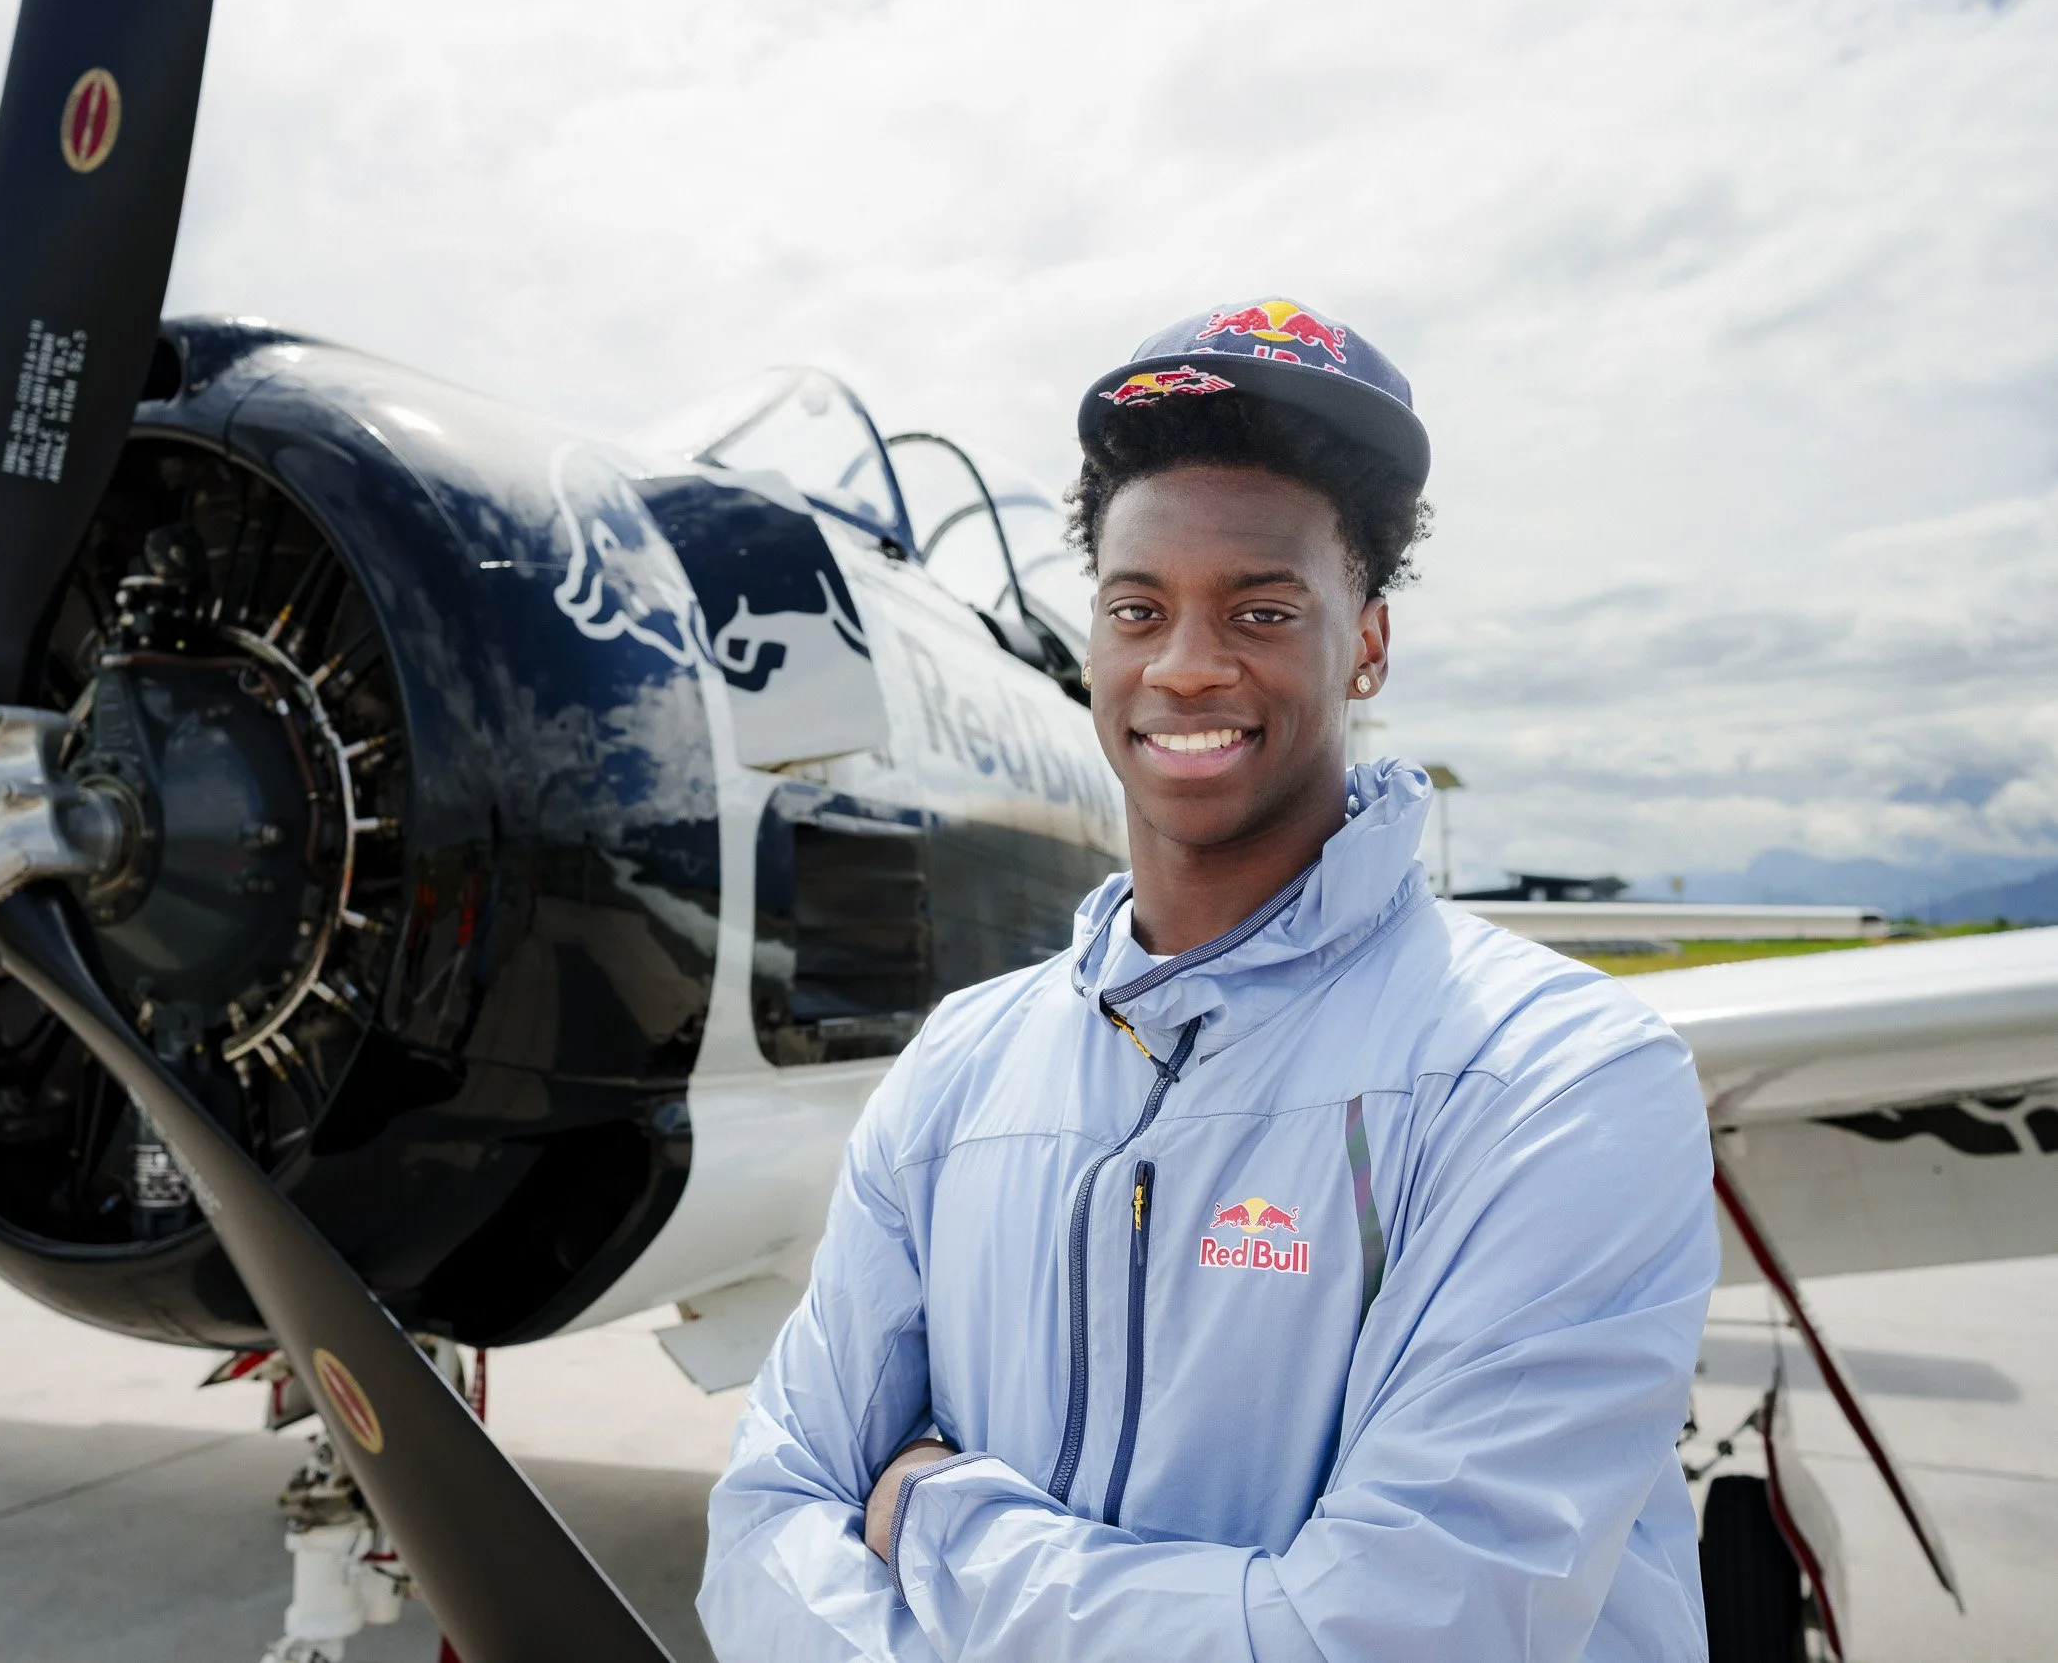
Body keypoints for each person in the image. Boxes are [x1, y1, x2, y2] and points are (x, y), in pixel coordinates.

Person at [698, 298, 1718, 1660]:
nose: (1185, 663)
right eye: (1139, 607)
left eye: (1261, 607)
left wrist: (938, 1519)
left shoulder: (1560, 1077)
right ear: (1095, 641)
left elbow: (1398, 1634)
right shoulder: (957, 1067)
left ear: (1367, 641)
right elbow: (766, 1527)